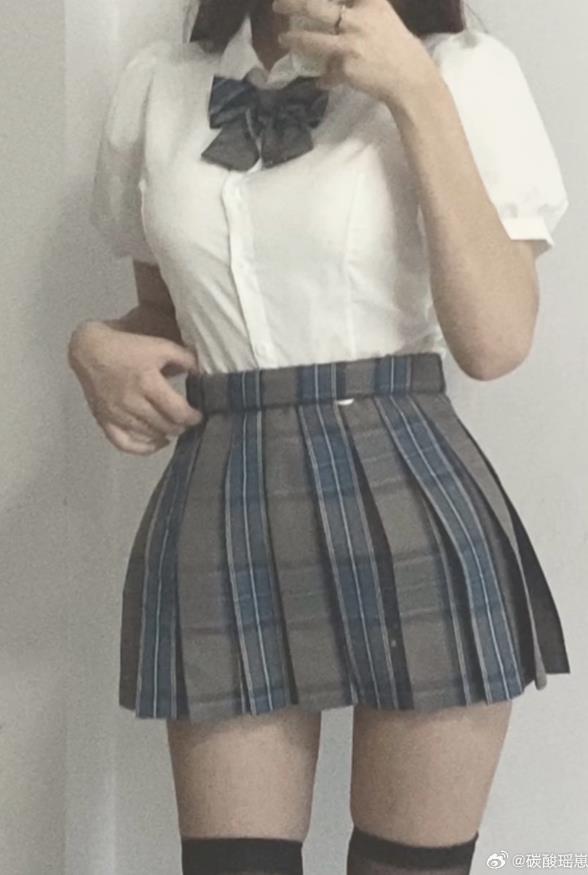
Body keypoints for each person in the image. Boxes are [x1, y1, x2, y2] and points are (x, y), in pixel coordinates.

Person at [68, 0, 571, 872]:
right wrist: (93, 347)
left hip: (408, 485)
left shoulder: (463, 72)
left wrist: (413, 90)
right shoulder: (164, 87)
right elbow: (170, 317)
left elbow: (495, 342)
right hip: (223, 498)